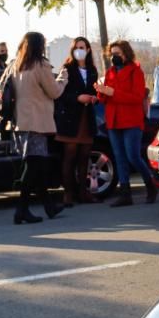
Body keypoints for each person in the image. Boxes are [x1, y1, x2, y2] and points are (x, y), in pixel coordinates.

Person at [0, 32, 68, 224]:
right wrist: (63, 79)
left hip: (20, 122)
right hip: (37, 122)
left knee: (36, 166)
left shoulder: (15, 65)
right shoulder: (41, 65)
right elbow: (54, 92)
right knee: (34, 167)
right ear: (40, 46)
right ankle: (21, 210)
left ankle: (48, 206)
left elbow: (1, 89)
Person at [95, 40, 158, 207]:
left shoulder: (135, 72)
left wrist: (113, 92)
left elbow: (136, 97)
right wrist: (101, 92)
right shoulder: (109, 72)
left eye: (118, 54)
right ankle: (125, 194)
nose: (115, 57)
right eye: (112, 54)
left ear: (126, 54)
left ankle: (150, 184)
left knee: (133, 156)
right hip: (114, 120)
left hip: (131, 120)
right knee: (119, 157)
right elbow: (106, 97)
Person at [54, 37, 99, 207]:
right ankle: (68, 193)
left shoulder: (92, 70)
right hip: (70, 118)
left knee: (84, 157)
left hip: (87, 117)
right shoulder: (67, 69)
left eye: (82, 47)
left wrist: (95, 97)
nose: (79, 50)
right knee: (69, 156)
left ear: (88, 50)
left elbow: (95, 90)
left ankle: (83, 192)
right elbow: (60, 93)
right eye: (76, 47)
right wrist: (77, 98)